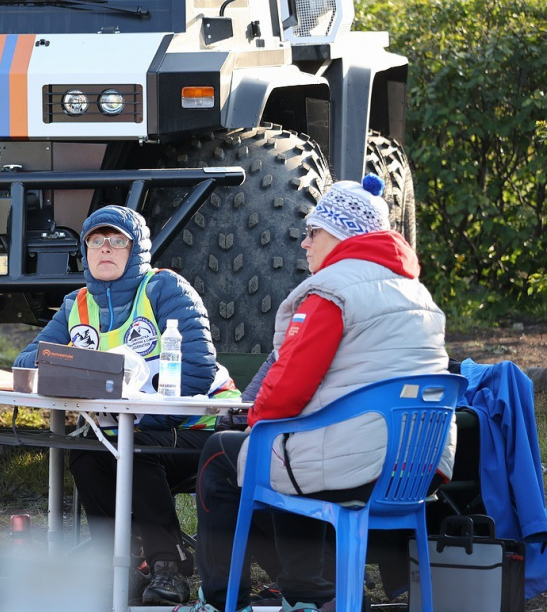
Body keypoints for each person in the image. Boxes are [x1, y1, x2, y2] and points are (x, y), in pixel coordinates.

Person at [176, 174, 455, 612]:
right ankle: (312, 593)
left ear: (343, 234)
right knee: (291, 450)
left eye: (313, 232)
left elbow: (286, 392)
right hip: (415, 468)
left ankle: (221, 603)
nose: (304, 243)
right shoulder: (417, 293)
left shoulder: (332, 290)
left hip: (358, 463)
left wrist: (251, 422)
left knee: (224, 453)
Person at [14, 205, 238, 606]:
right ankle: (118, 565)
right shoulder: (76, 305)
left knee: (133, 449)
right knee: (86, 455)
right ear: (84, 251)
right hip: (125, 431)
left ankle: (169, 567)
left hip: (204, 432)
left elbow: (198, 373)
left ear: (136, 250)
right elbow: (26, 361)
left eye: (117, 241)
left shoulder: (165, 289)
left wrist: (137, 418)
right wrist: (67, 356)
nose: (105, 249)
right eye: (96, 240)